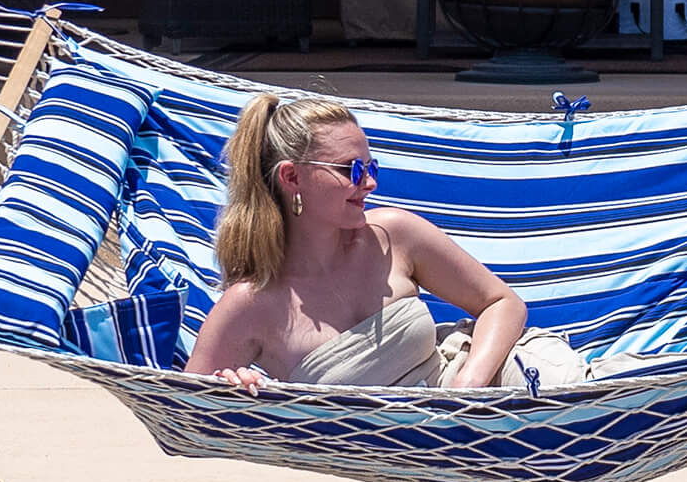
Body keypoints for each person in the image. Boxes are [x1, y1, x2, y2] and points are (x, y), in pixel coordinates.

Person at [185, 94, 532, 392]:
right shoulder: (251, 304)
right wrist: (234, 393)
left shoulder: (392, 236)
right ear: (292, 177)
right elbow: (187, 418)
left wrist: (467, 388)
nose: (369, 183)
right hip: (383, 449)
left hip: (490, 401)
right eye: (350, 169)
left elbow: (501, 302)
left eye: (371, 168)